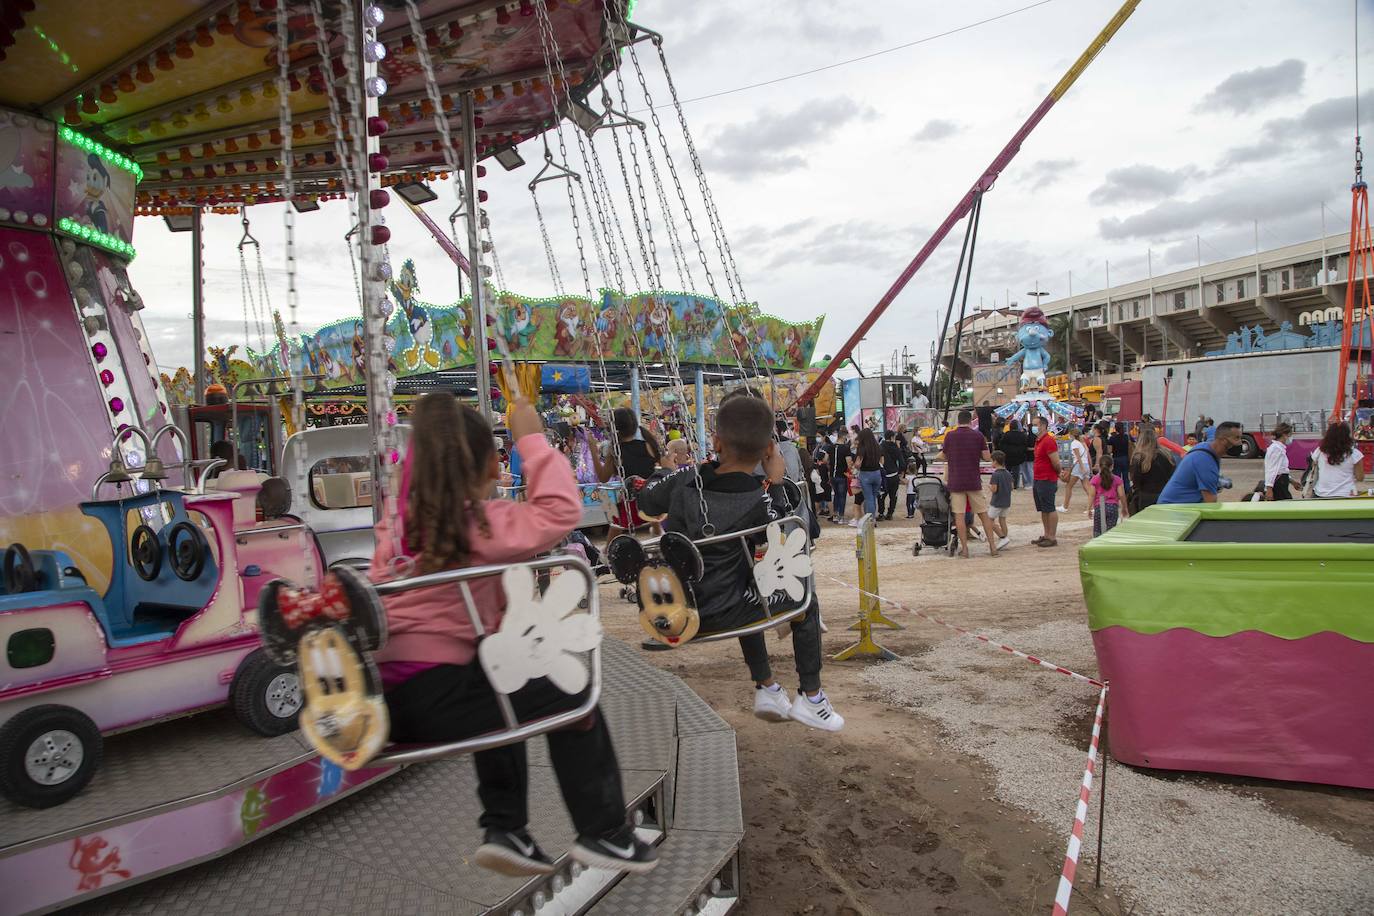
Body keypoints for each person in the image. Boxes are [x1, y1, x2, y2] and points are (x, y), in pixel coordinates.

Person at [372, 393, 657, 876]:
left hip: (390, 700)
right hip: (440, 693)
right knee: (572, 694)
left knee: (501, 678)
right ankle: (605, 831)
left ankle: (506, 829)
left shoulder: (398, 526)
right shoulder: (481, 522)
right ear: (484, 465)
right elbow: (558, 512)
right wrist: (532, 440)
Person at [636, 394, 844, 732]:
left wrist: (668, 472)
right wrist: (775, 484)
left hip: (679, 611)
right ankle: (811, 695)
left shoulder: (687, 480)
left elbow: (647, 499)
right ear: (768, 452)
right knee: (804, 593)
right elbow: (784, 533)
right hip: (734, 610)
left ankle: (767, 687)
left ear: (716, 441)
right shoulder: (758, 498)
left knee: (747, 577)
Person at [588, 407, 662, 541]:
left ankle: (606, 552)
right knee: (648, 496)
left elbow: (603, 478)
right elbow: (666, 467)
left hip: (631, 506)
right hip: (653, 502)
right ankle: (658, 532)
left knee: (617, 522)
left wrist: (593, 451)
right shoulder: (648, 444)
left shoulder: (616, 451)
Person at [937, 410, 999, 558]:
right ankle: (992, 547)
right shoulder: (978, 436)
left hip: (956, 481)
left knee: (959, 516)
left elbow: (944, 455)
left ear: (958, 421)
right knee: (983, 515)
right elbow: (986, 457)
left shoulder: (950, 436)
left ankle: (965, 550)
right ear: (971, 421)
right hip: (973, 480)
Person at [1158, 421, 1242, 504]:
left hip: (1179, 507)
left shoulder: (1206, 449)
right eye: (1237, 438)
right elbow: (1210, 502)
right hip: (1173, 510)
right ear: (1223, 440)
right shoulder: (1205, 459)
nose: (1240, 442)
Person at [1310, 421, 1367, 498]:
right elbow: (1360, 477)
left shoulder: (1320, 451)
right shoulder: (1354, 453)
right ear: (1347, 435)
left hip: (1322, 493)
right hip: (1346, 494)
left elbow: (1313, 466)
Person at [1128, 425, 1175, 512]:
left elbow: (1136, 479)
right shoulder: (1167, 455)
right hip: (1165, 494)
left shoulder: (1139, 457)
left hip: (1146, 495)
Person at [1031, 421, 1062, 547]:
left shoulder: (1049, 440)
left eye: (1035, 424)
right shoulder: (1039, 440)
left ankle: (1052, 537)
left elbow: (1055, 461)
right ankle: (1046, 534)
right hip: (1038, 478)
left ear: (1043, 425)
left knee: (1049, 507)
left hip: (1047, 478)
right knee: (1043, 508)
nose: (1033, 427)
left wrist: (1058, 473)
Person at [1089, 453, 1129, 536]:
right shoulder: (1117, 479)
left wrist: (1088, 508)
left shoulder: (1095, 479)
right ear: (1112, 466)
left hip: (1099, 507)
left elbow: (1092, 495)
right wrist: (1124, 508)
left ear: (1099, 466)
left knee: (1097, 531)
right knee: (1110, 532)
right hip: (1112, 507)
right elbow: (1121, 495)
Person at [853, 427, 884, 521]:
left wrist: (856, 467)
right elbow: (882, 462)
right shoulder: (878, 447)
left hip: (865, 474)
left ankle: (871, 520)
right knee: (873, 497)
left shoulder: (862, 448)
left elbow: (858, 464)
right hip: (877, 474)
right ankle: (870, 517)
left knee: (868, 498)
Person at [1060, 425, 1092, 511]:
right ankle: (1092, 507)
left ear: (1072, 435)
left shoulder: (1074, 443)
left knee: (1069, 486)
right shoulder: (1083, 443)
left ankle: (1065, 506)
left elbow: (1077, 457)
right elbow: (1087, 456)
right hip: (1085, 465)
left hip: (1079, 466)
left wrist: (1081, 467)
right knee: (1087, 487)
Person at [987, 450, 1012, 549]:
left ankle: (1002, 537)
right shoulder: (1008, 473)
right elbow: (1011, 486)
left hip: (997, 502)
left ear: (995, 461)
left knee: (989, 520)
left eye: (992, 461)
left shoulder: (995, 474)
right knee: (1003, 520)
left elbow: (994, 489)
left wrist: (989, 487)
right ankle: (1004, 538)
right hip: (1006, 501)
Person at [1263, 422, 1294, 501]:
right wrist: (1269, 488)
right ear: (1284, 435)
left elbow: (1281, 469)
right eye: (1289, 435)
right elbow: (1272, 469)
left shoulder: (1279, 448)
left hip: (1282, 480)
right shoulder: (1276, 449)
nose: (1290, 437)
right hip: (1279, 482)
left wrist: (1292, 481)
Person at [879, 430, 904, 520]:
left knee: (881, 495)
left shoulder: (880, 446)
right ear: (892, 437)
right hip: (894, 474)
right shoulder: (895, 448)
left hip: (883, 475)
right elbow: (902, 462)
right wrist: (901, 472)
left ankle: (881, 513)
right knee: (893, 496)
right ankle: (890, 513)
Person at [998, 420, 1030, 490]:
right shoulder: (1022, 435)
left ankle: (1007, 484)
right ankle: (1015, 485)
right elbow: (1025, 445)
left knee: (1007, 471)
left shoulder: (1006, 434)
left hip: (1008, 456)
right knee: (1016, 472)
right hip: (1018, 456)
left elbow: (1001, 445)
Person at [830, 428, 852, 523]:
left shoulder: (831, 447)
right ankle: (841, 517)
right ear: (843, 436)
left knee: (836, 495)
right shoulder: (845, 448)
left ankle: (835, 515)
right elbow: (849, 463)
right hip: (842, 475)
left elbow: (826, 459)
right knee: (842, 496)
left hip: (832, 475)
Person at [1108, 421, 1133, 496]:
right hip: (1125, 458)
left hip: (1116, 458)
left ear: (1115, 428)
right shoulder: (1127, 437)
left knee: (1117, 477)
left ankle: (1117, 492)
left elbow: (1110, 450)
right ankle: (1128, 492)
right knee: (1126, 477)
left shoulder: (1112, 438)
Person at [811, 449, 832, 519]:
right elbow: (829, 475)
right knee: (829, 499)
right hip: (826, 483)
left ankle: (815, 514)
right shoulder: (826, 466)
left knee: (817, 500)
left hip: (818, 485)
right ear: (823, 458)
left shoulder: (815, 466)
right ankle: (831, 514)